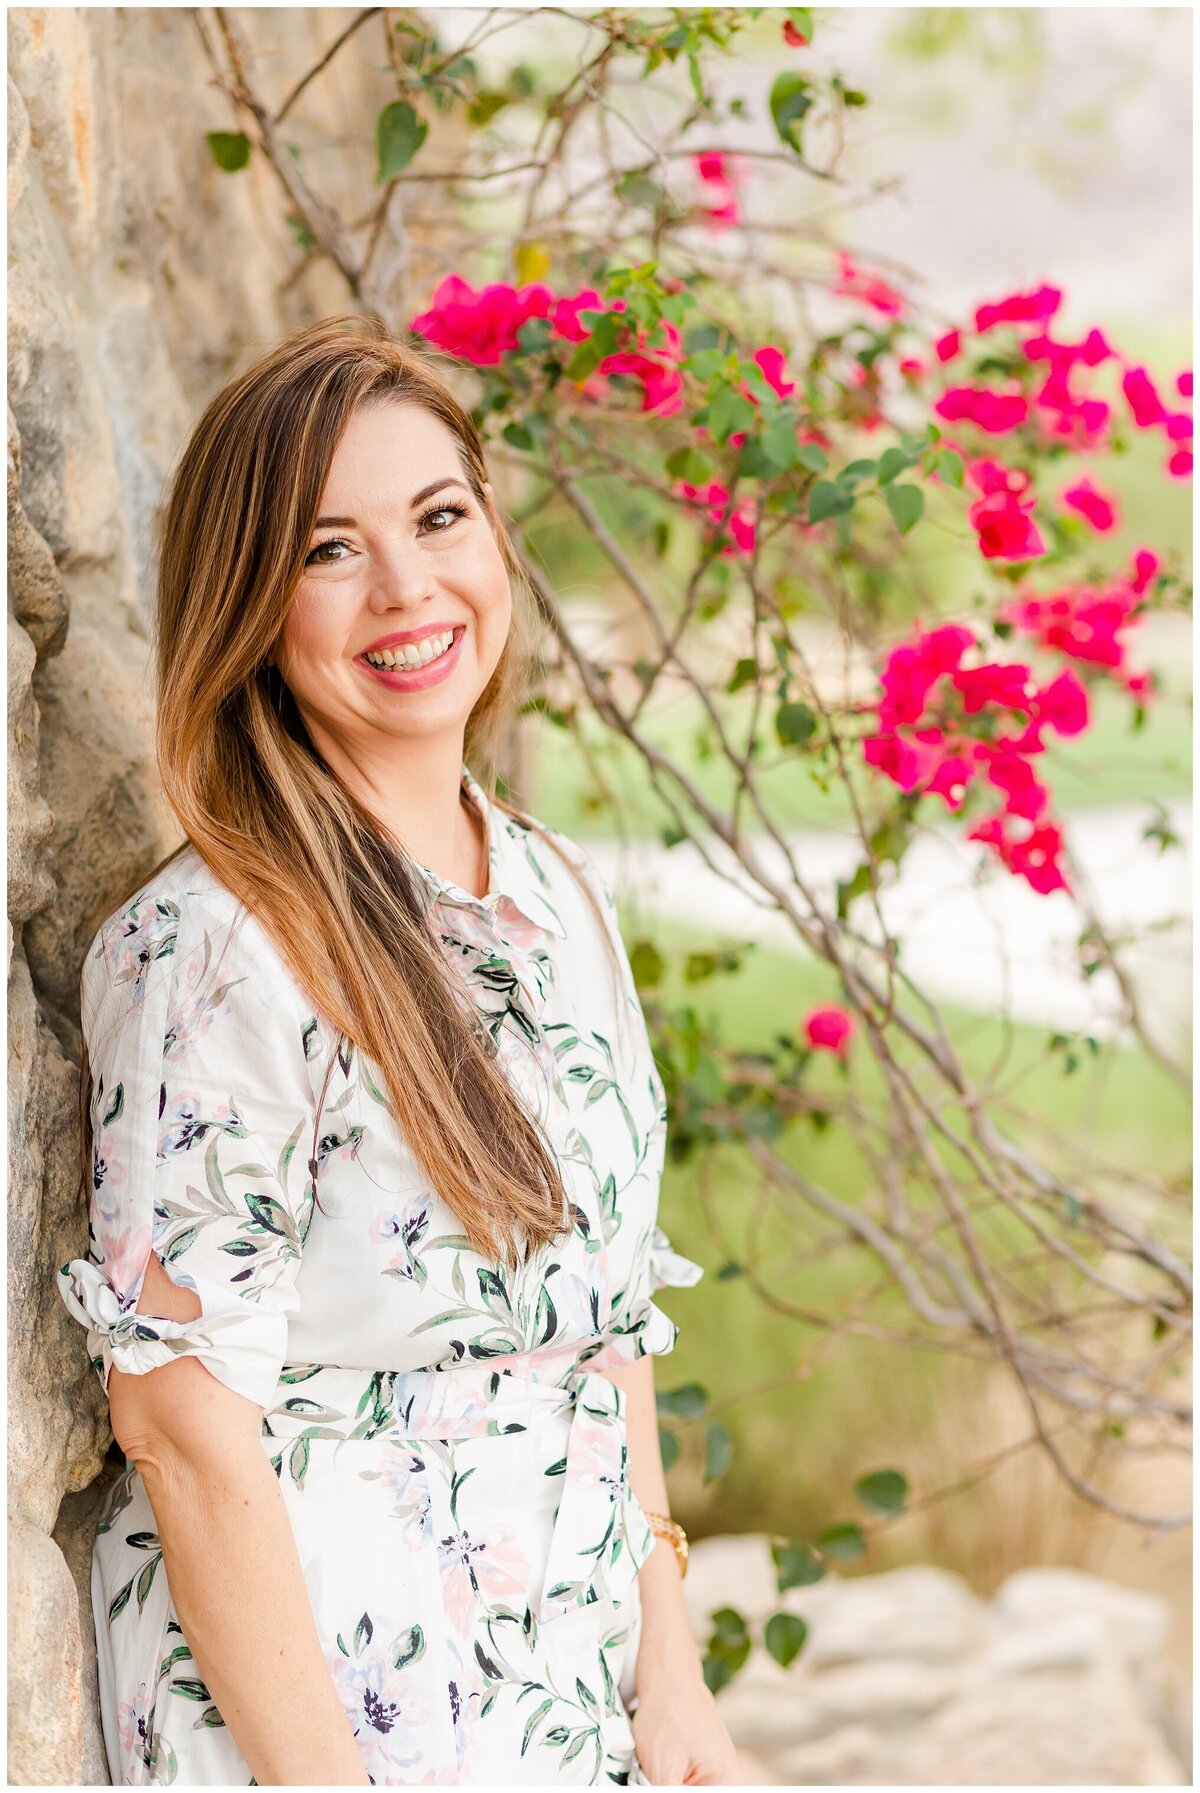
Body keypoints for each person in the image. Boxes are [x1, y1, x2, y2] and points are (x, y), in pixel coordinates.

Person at [57, 314, 740, 1787]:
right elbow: (181, 1429)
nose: (408, 586)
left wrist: (672, 1686)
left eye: (438, 517)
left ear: (494, 532)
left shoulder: (556, 893)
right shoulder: (218, 951)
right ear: (251, 602)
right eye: (328, 550)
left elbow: (605, 1333)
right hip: (327, 1727)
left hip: (573, 1704)